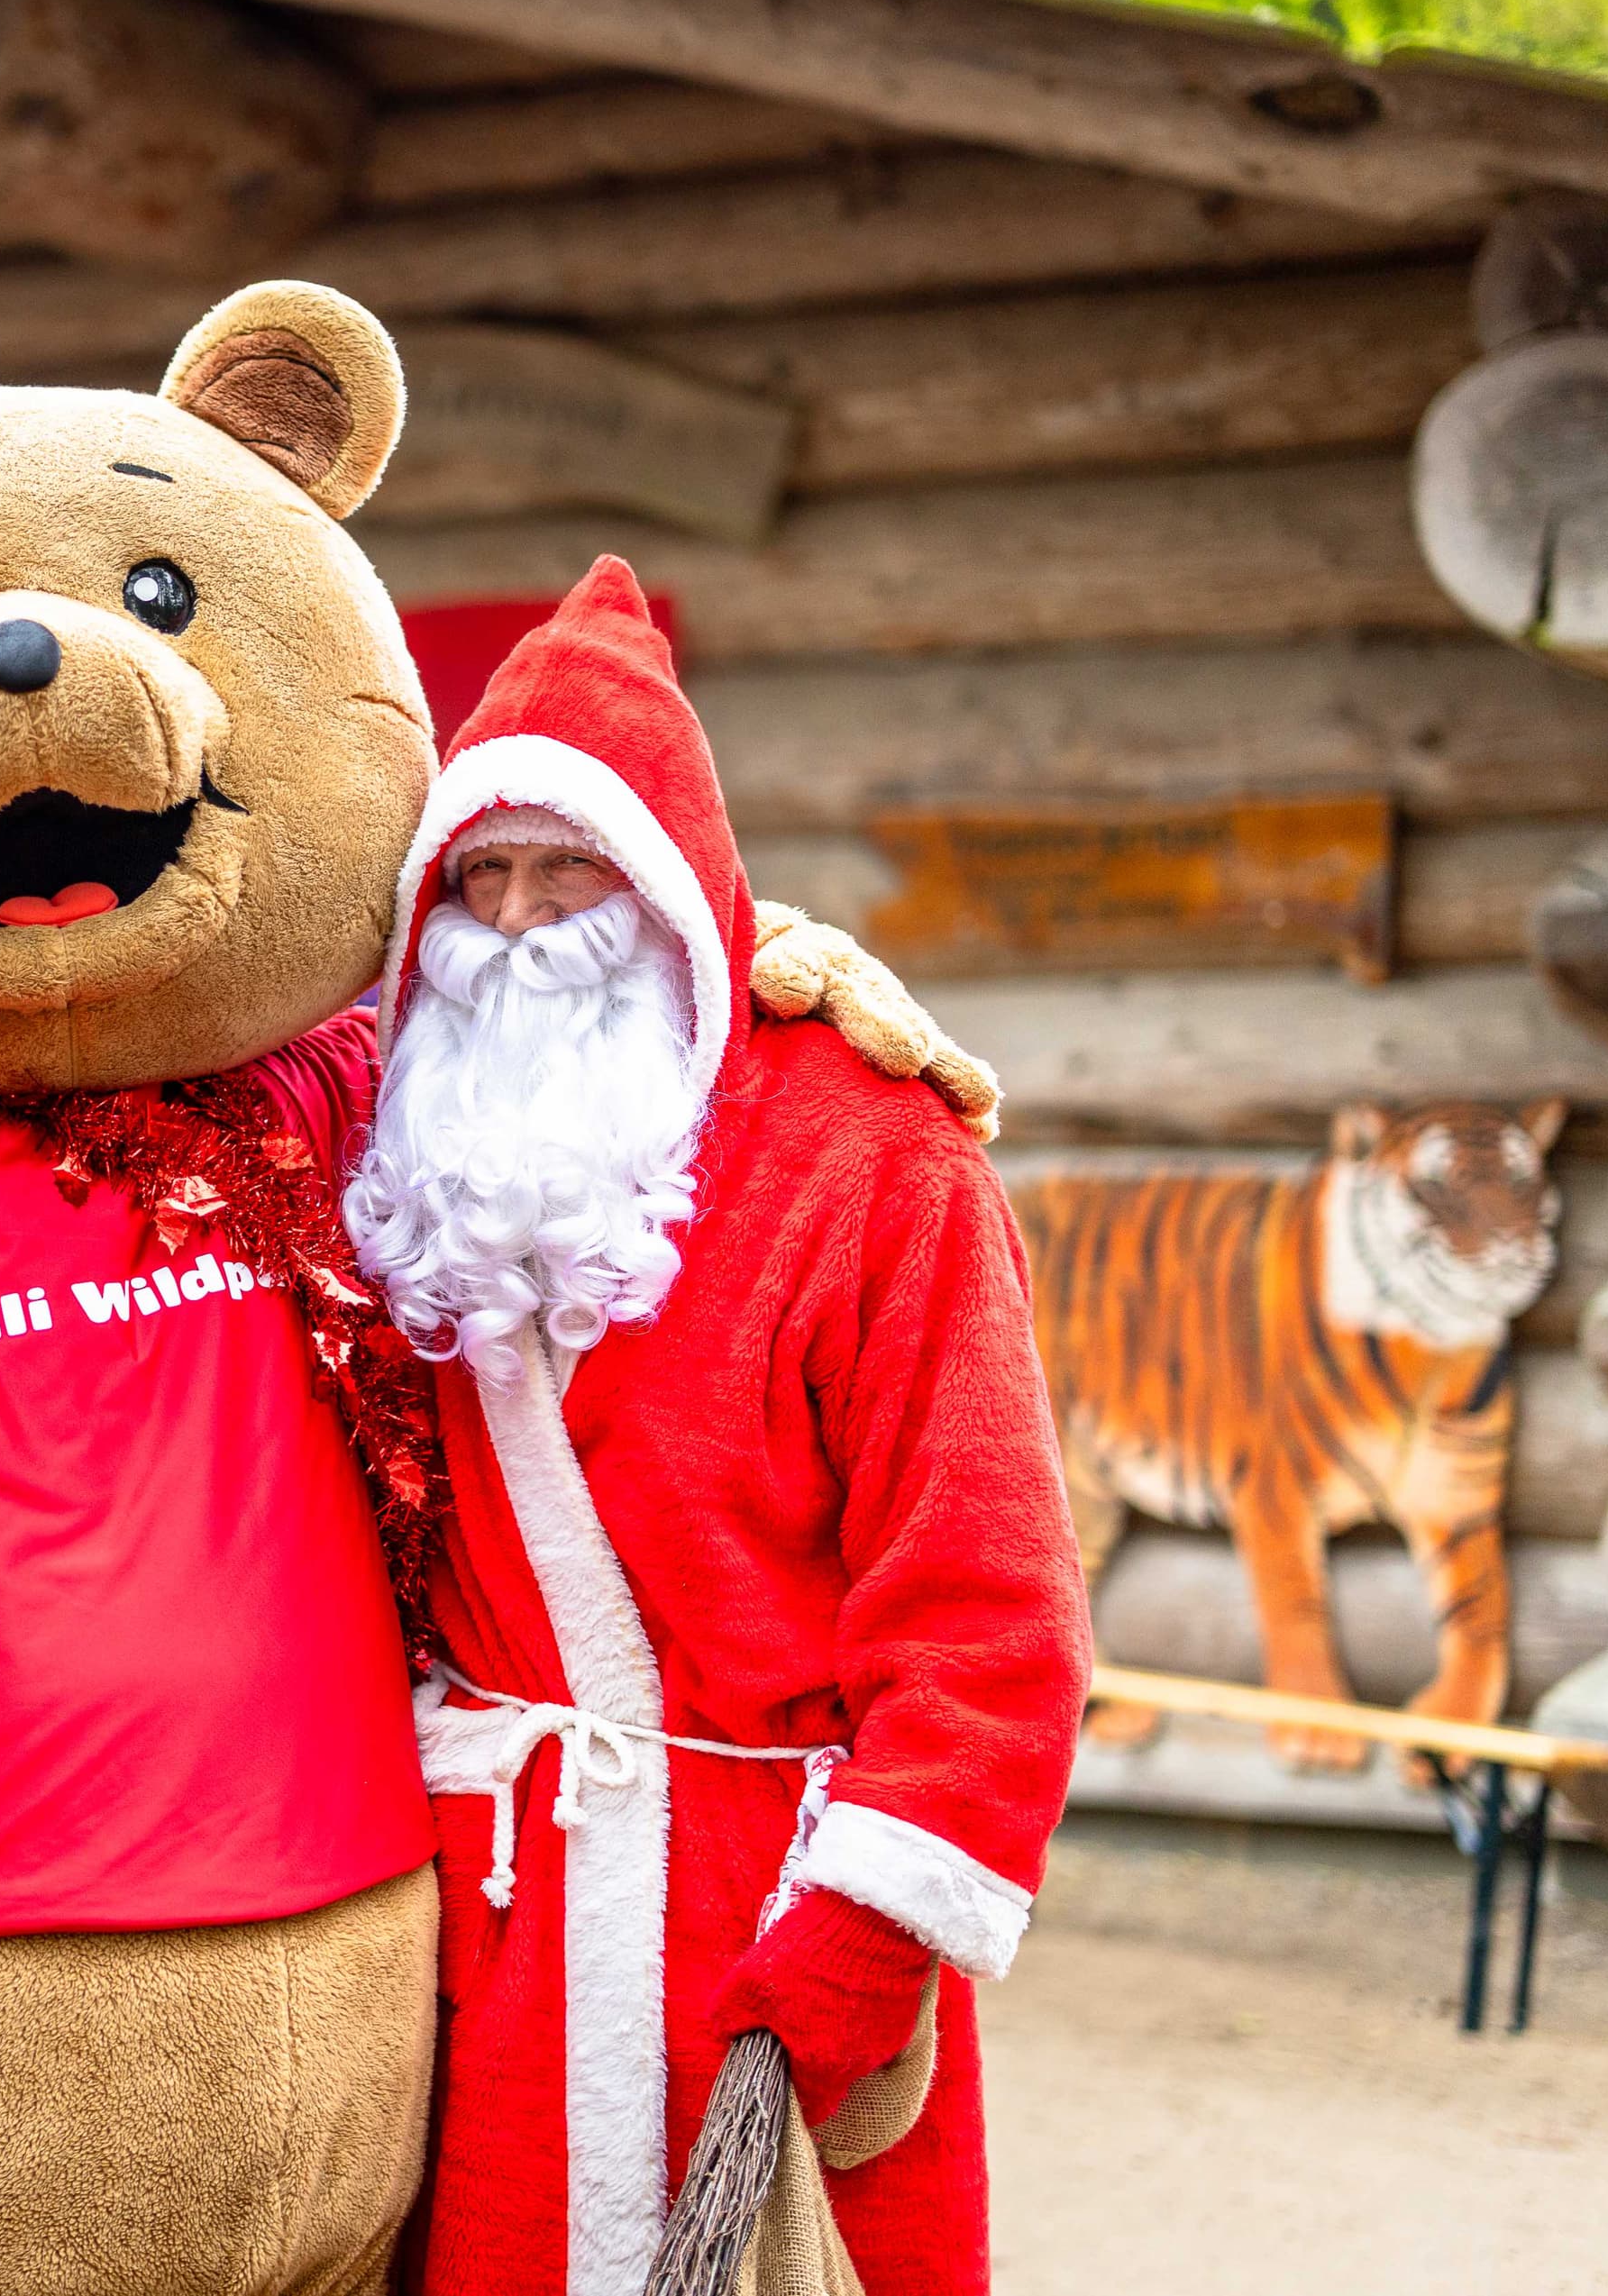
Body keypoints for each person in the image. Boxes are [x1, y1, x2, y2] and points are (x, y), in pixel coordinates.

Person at [342, 560, 1091, 2296]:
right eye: (480, 877)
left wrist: (862, 1938)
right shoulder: (404, 1164)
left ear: (671, 887)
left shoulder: (874, 1161)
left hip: (770, 1919)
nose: (519, 925)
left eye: (571, 870)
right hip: (498, 1933)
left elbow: (993, 1617)